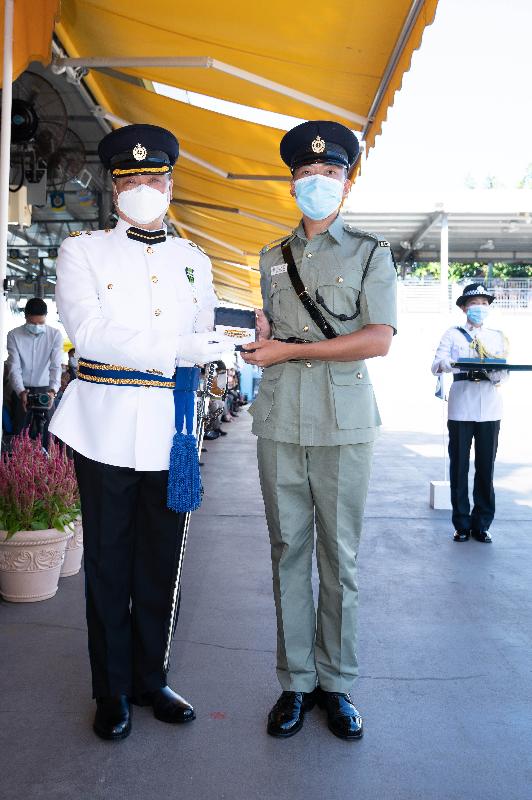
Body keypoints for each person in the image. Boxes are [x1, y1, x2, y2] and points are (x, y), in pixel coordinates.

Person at [49, 123, 230, 741]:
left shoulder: (194, 261)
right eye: (130, 179)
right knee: (107, 562)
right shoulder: (83, 250)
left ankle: (151, 679)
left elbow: (202, 341)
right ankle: (111, 690)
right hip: (102, 425)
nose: (143, 189)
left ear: (171, 185)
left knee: (163, 560)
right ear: (114, 186)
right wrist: (179, 346)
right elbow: (91, 334)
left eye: (153, 179)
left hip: (169, 430)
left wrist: (205, 351)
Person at [241, 120, 397, 740]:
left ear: (347, 182)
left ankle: (339, 684)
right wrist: (264, 346)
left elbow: (378, 340)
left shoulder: (370, 253)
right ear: (291, 184)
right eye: (305, 174)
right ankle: (295, 684)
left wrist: (284, 352)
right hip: (280, 420)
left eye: (328, 173)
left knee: (341, 559)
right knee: (288, 555)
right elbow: (275, 338)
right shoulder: (270, 258)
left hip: (344, 423)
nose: (316, 183)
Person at [431, 282, 509, 544]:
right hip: (461, 405)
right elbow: (436, 364)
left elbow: (503, 374)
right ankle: (462, 524)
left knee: (486, 468)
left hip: (489, 407)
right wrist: (450, 364)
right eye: (475, 304)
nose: (480, 308)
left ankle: (482, 524)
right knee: (459, 467)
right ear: (464, 307)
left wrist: (495, 369)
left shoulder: (496, 336)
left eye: (484, 304)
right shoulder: (453, 334)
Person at [6, 297, 62, 441]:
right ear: (25, 317)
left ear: (46, 317)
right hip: (22, 391)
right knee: (19, 433)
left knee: (49, 435)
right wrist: (21, 391)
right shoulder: (14, 335)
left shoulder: (55, 335)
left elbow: (56, 366)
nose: (37, 326)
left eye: (41, 323)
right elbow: (14, 367)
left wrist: (52, 391)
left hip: (46, 391)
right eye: (32, 323)